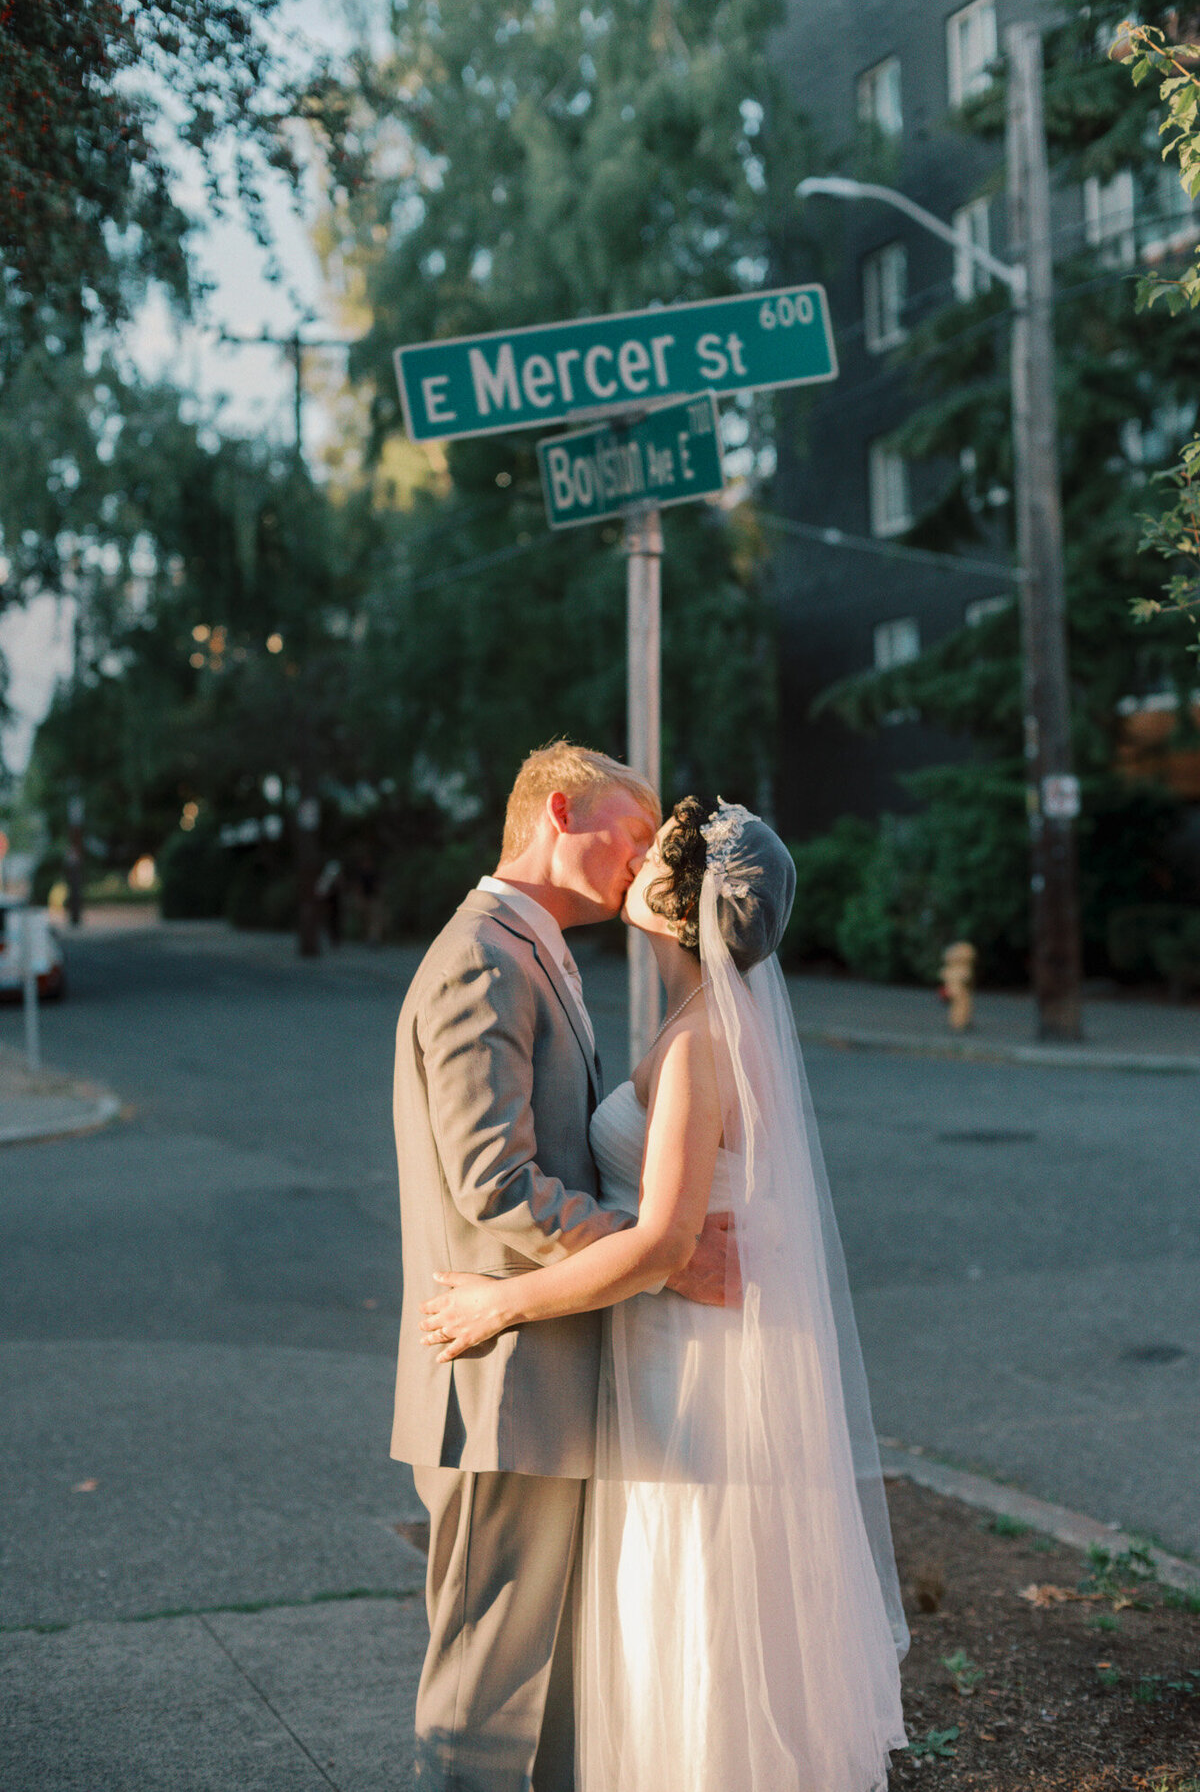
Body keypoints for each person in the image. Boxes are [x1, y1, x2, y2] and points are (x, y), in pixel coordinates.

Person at [421, 796, 910, 1792]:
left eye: (661, 853)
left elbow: (661, 1245)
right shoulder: (695, 1027)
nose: (640, 855)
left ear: (676, 909)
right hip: (672, 1355)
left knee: (691, 1613)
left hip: (691, 1376)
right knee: (677, 1612)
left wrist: (498, 1304)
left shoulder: (698, 1048)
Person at [390, 745, 736, 1792]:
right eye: (630, 834)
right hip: (503, 1380)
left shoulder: (531, 951)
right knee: (485, 1705)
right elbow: (494, 1183)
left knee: (545, 1702)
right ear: (559, 809)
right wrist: (661, 1257)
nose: (643, 861)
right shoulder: (480, 959)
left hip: (544, 1377)